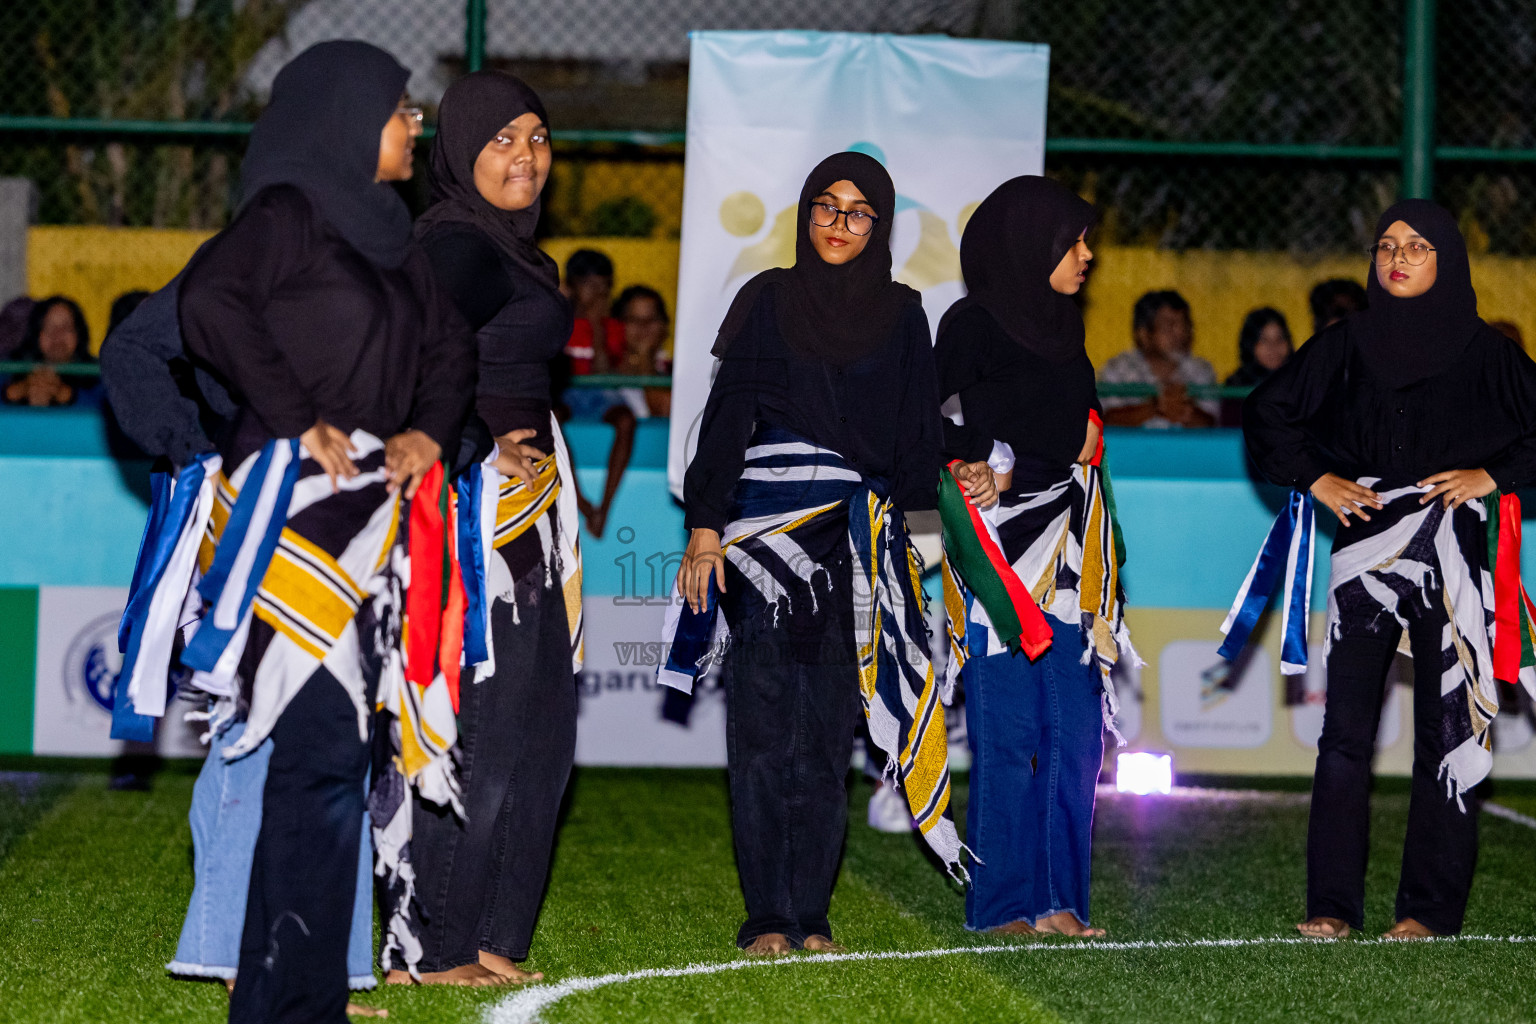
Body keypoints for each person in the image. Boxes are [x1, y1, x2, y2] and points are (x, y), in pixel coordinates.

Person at [175, 40, 473, 1022]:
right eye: (401, 111)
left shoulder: (390, 235)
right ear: (346, 116)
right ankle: (289, 1002)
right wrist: (294, 411)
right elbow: (209, 301)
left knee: (332, 763)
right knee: (312, 760)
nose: (414, 127)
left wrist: (428, 428)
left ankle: (287, 995)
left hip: (372, 528)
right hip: (291, 523)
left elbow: (447, 345)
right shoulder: (288, 213)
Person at [662, 151, 962, 956]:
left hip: (855, 544)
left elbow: (914, 435)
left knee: (828, 730)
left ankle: (812, 913)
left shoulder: (905, 315)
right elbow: (726, 419)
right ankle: (767, 915)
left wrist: (931, 513)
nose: (838, 224)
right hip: (765, 541)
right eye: (826, 207)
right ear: (805, 214)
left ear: (881, 224)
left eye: (859, 212)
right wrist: (705, 525)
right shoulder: (766, 298)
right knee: (763, 724)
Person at [1241, 199, 1536, 941]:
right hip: (1367, 553)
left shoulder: (1485, 352)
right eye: (1385, 246)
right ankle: (1332, 906)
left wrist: (1491, 475)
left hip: (1449, 555)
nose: (1397, 257)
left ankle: (1426, 913)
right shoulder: (1345, 345)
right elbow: (1267, 413)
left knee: (1444, 725)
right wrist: (1317, 479)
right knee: (1344, 734)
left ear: (1448, 260)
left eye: (1417, 246)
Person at [410, 69, 583, 987]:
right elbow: (409, 349)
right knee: (487, 723)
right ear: (458, 150)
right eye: (501, 140)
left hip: (534, 512)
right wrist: (476, 445)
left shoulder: (508, 249)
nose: (525, 156)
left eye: (537, 137)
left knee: (545, 726)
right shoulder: (455, 244)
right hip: (479, 508)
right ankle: (435, 943)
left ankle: (493, 935)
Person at [934, 176, 1131, 940]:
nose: (1088, 256)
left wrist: (1027, 445)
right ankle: (1002, 905)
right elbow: (936, 420)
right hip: (997, 554)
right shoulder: (970, 324)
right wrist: (991, 457)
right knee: (1008, 733)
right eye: (1074, 242)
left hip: (1070, 551)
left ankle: (1060, 903)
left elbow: (1082, 433)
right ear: (1031, 245)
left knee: (1074, 735)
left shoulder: (1065, 328)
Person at [1099, 290, 1215, 428]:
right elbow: (1105, 421)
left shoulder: (1200, 370)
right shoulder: (1118, 369)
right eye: (1169, 326)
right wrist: (1154, 408)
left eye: (1185, 325)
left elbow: (1211, 425)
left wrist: (1184, 409)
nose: (1180, 333)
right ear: (1143, 335)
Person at [4, 296, 100, 408]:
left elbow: (107, 409)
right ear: (36, 334)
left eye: (66, 327)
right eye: (49, 327)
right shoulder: (10, 368)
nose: (58, 335)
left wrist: (64, 394)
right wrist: (20, 390)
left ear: (79, 334)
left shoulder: (97, 373)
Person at [1220, 307, 1294, 425]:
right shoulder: (1236, 387)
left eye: (1279, 339)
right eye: (1264, 340)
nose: (1273, 347)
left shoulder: (1299, 381)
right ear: (1250, 344)